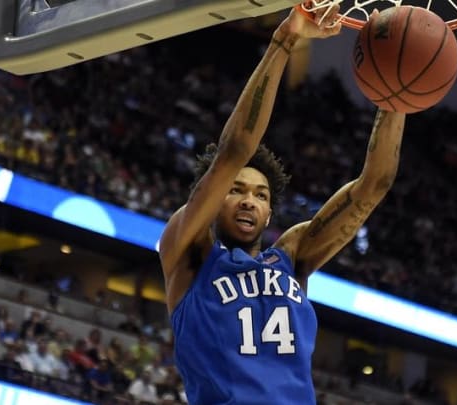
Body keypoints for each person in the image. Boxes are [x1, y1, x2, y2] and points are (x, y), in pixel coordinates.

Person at [158, 4, 406, 405]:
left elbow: (373, 186)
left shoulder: (291, 256)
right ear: (211, 196)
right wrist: (286, 37)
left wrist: (397, 94)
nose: (249, 202)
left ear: (270, 213)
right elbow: (235, 149)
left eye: (260, 195)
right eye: (235, 190)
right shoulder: (188, 251)